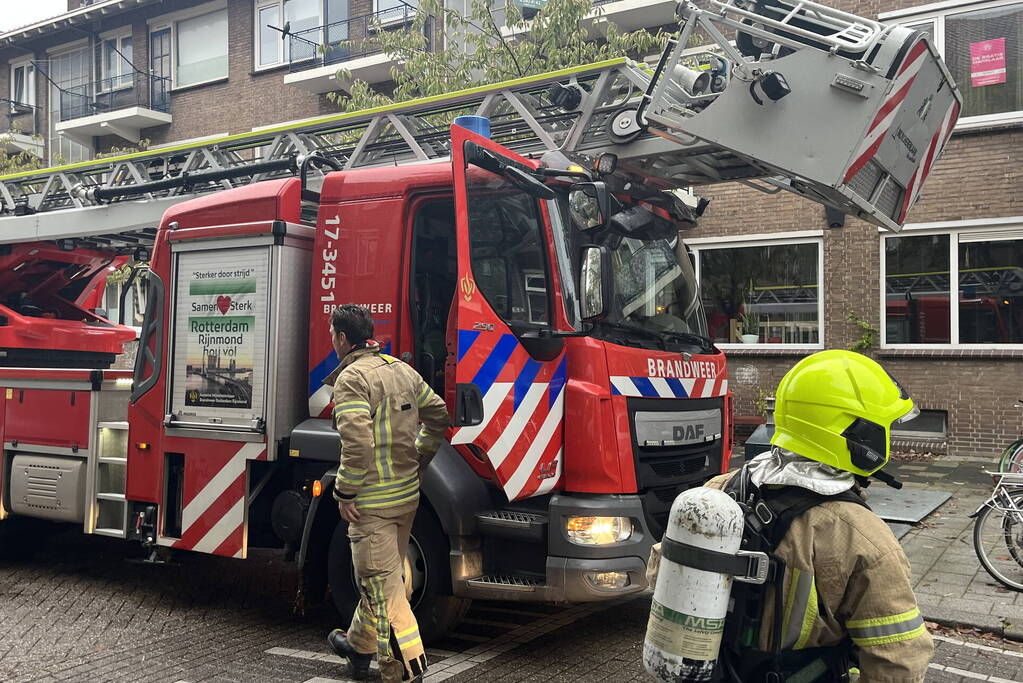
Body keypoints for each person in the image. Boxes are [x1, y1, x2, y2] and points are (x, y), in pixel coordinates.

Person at [646, 350, 933, 683]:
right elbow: (898, 662)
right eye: (885, 427)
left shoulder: (718, 490)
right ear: (858, 434)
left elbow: (659, 574)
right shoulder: (862, 537)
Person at [323, 304, 450, 683]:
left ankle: (407, 672)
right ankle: (358, 649)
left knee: (387, 594)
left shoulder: (351, 380)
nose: (332, 341)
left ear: (343, 339)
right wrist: (420, 458)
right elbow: (439, 415)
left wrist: (345, 491)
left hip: (370, 506)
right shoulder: (402, 370)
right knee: (384, 581)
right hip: (406, 497)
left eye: (332, 335)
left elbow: (357, 443)